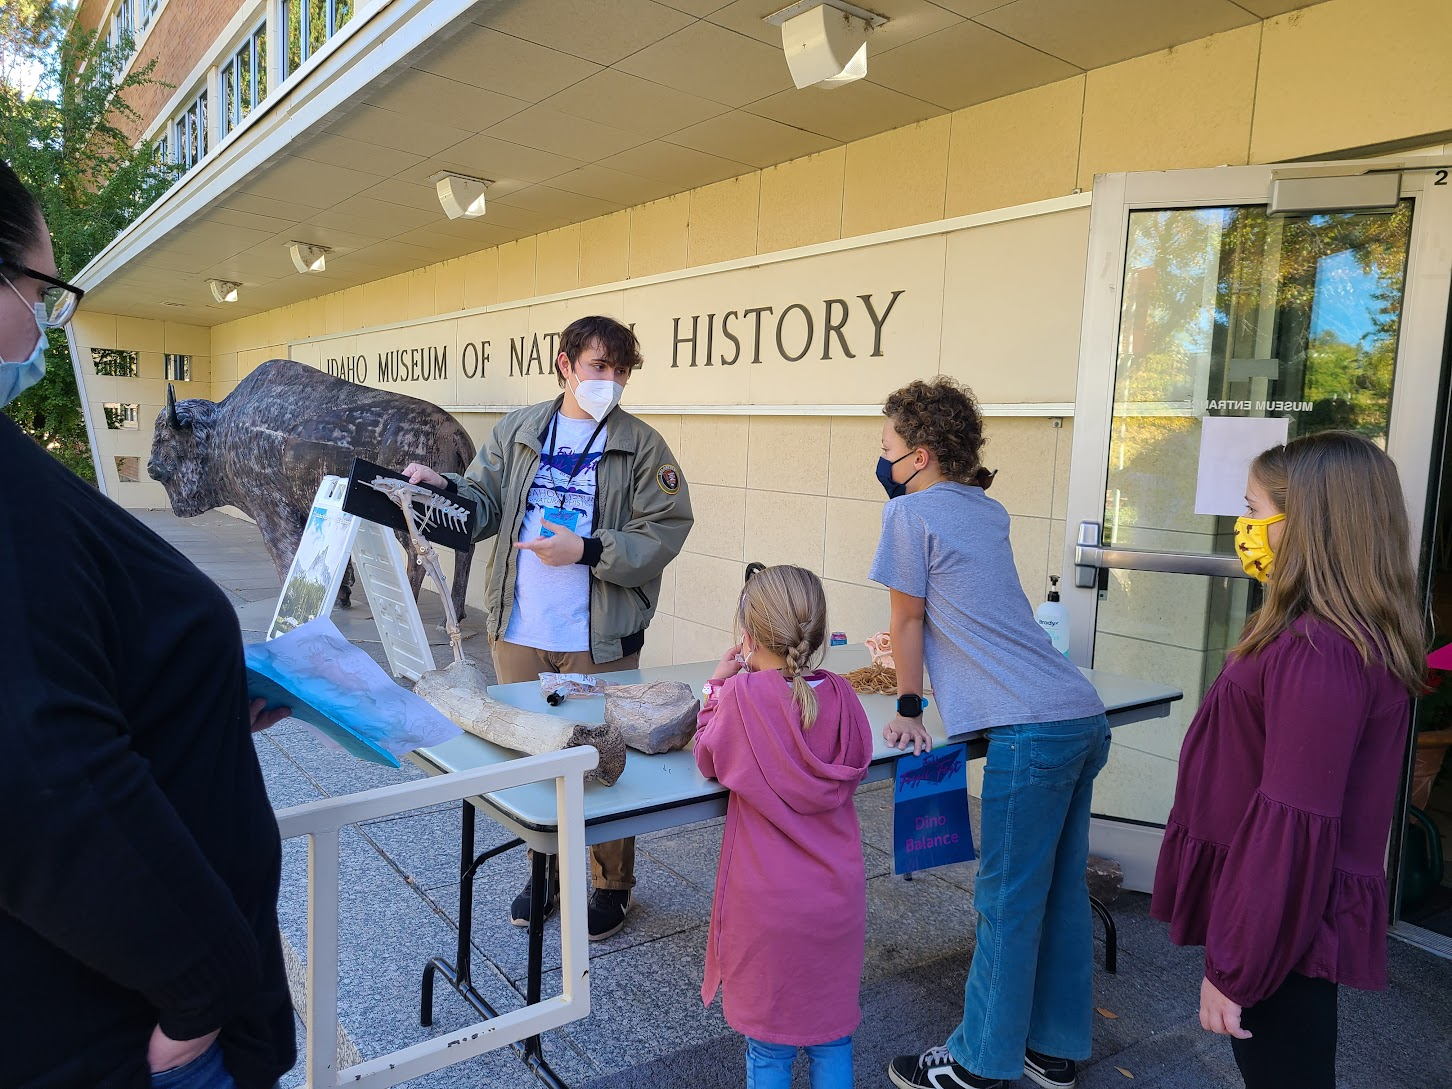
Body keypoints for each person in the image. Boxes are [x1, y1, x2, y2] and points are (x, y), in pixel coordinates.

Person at [0, 160, 296, 1088]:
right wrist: (203, 988)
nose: (48, 322)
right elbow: (41, 779)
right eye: (44, 289)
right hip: (125, 1031)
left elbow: (59, 673)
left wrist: (194, 694)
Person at [403, 315, 693, 940]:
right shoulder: (519, 430)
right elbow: (481, 502)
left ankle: (611, 884)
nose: (609, 382)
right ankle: (545, 871)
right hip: (520, 629)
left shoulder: (642, 446)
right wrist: (440, 487)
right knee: (529, 752)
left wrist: (588, 550)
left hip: (596, 637)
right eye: (598, 367)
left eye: (620, 371)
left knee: (601, 759)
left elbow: (664, 530)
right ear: (566, 364)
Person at [1151, 432, 1423, 1089]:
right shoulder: (1319, 632)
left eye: (1253, 510)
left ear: (1307, 527)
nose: (1244, 528)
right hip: (1284, 913)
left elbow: (1292, 822)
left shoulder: (1320, 649)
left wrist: (1235, 967)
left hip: (1284, 926)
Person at [871, 377, 1109, 1089]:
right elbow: (971, 614)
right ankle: (1053, 1046)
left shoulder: (909, 517)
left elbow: (910, 619)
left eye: (886, 448)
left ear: (918, 456)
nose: (880, 461)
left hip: (1029, 734)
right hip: (1078, 715)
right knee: (1061, 890)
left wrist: (910, 705)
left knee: (1006, 899)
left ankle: (979, 1059)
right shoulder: (988, 507)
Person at [694, 565, 873, 1089]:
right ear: (816, 633)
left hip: (766, 906)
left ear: (746, 637)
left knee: (770, 1050)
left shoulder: (740, 700)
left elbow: (708, 757)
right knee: (832, 1036)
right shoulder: (842, 695)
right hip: (838, 897)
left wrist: (716, 686)